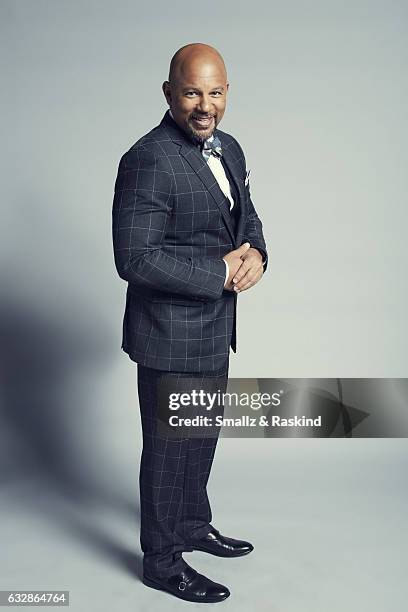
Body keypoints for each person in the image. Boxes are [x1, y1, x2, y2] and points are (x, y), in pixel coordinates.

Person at [112, 42, 268, 603]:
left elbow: (245, 220)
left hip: (212, 330)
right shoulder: (148, 158)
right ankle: (160, 560)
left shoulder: (228, 148)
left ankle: (192, 526)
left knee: (200, 438)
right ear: (169, 93)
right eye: (192, 92)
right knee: (168, 447)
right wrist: (218, 274)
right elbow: (134, 257)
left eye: (216, 92)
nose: (206, 105)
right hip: (167, 334)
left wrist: (256, 255)